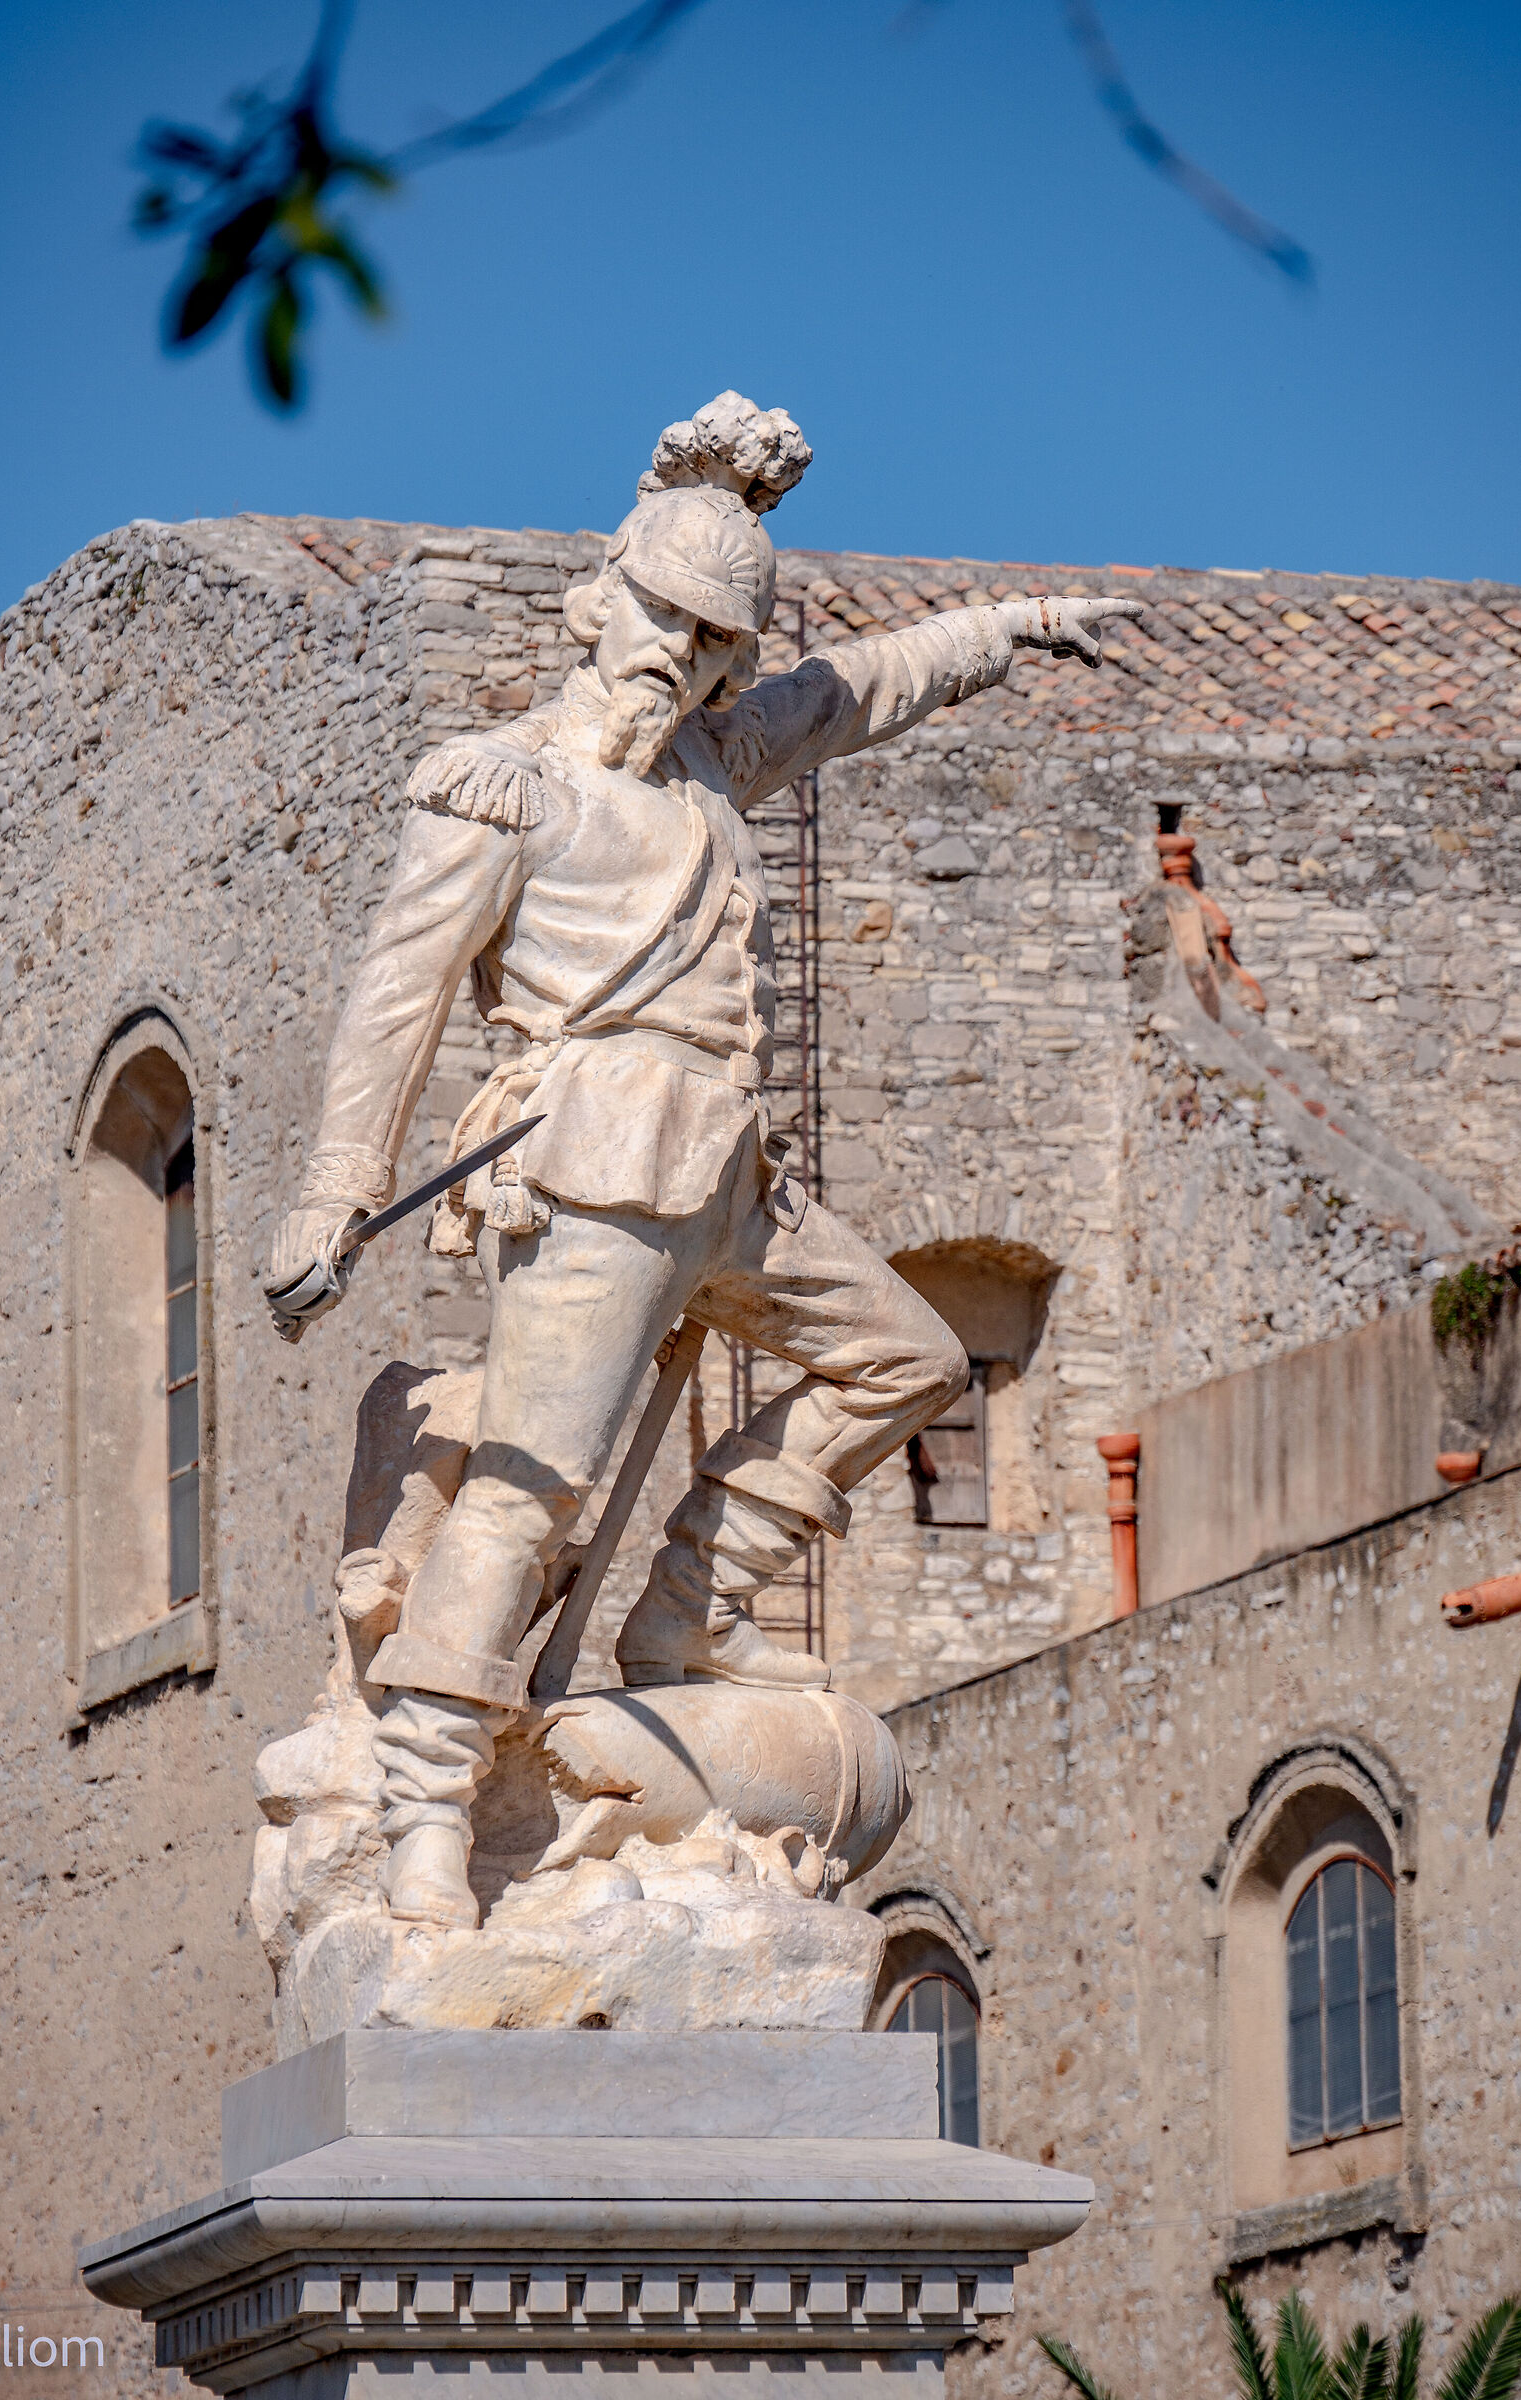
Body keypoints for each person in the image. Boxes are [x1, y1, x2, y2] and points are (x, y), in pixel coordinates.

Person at [266, 392, 1141, 1926]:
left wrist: (1018, 621)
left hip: (728, 1171)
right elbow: (392, 1010)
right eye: (662, 619)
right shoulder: (499, 785)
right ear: (597, 606)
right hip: (588, 1156)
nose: (683, 654)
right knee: (527, 1491)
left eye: (715, 640)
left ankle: (684, 1618)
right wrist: (333, 1196)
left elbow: (864, 685)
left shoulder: (719, 766)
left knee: (907, 1359)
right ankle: (423, 1816)